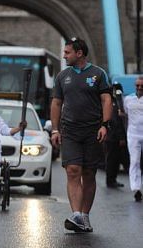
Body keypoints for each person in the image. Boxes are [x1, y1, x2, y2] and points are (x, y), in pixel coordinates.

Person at [50, 37, 112, 233]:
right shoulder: (62, 76)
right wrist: (55, 129)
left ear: (79, 53)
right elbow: (56, 104)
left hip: (93, 131)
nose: (64, 55)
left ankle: (84, 216)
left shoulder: (98, 74)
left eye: (67, 52)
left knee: (89, 173)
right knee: (73, 170)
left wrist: (105, 125)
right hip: (70, 131)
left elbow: (106, 100)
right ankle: (76, 214)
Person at [123, 76, 143, 202]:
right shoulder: (128, 99)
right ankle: (136, 189)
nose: (140, 88)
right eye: (137, 86)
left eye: (142, 86)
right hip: (133, 134)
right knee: (134, 161)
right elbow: (124, 113)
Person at [105, 83, 127, 188]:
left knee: (114, 159)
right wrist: (121, 137)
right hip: (113, 137)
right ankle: (110, 180)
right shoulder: (114, 103)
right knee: (112, 160)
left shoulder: (117, 102)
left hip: (113, 136)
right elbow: (115, 121)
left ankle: (112, 179)